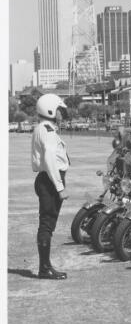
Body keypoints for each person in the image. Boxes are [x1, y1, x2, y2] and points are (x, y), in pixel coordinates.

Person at [31, 94, 70, 280]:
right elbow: (49, 160)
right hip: (50, 181)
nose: (62, 113)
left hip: (47, 180)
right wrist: (60, 187)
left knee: (48, 224)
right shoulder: (46, 130)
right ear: (50, 110)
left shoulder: (45, 128)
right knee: (47, 225)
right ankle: (44, 268)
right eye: (59, 110)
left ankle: (45, 267)